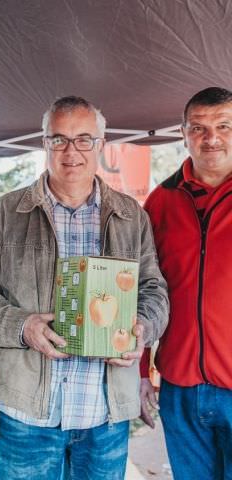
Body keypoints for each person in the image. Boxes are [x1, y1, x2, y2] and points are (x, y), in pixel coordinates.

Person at [0, 95, 169, 480]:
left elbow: (154, 290)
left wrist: (140, 328)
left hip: (105, 414)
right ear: (44, 143)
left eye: (83, 139)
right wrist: (23, 327)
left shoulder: (131, 216)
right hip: (29, 412)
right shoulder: (5, 213)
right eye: (58, 139)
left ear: (100, 143)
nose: (70, 151)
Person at [140, 86, 232, 479]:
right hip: (179, 387)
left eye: (224, 125)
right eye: (199, 127)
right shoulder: (160, 202)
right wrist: (141, 372)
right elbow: (141, 289)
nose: (211, 138)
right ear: (183, 132)